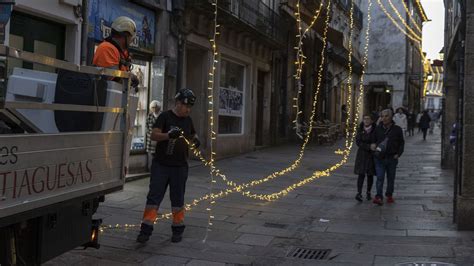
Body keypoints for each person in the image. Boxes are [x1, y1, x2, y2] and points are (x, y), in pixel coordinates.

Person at [137, 89, 200, 244]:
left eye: (190, 107)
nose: (188, 109)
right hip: (161, 165)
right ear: (178, 103)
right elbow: (153, 135)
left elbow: (193, 134)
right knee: (154, 197)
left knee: (177, 199)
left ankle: (178, 229)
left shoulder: (188, 120)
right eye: (186, 106)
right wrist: (168, 135)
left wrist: (196, 140)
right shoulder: (165, 116)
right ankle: (145, 230)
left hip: (180, 166)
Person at [93, 16, 139, 88]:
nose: (131, 42)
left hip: (116, 95)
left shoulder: (121, 52)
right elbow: (111, 78)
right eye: (131, 38)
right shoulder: (106, 48)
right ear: (125, 36)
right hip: (104, 96)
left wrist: (131, 77)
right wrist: (130, 78)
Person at [371, 109, 405, 205]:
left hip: (392, 158)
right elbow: (373, 140)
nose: (384, 118)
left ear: (391, 117)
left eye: (386, 116)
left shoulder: (397, 129)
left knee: (391, 178)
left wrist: (398, 153)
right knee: (380, 177)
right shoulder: (377, 129)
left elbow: (401, 143)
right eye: (382, 116)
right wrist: (373, 145)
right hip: (379, 158)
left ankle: (389, 195)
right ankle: (378, 196)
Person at [354, 115, 377, 202]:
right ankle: (359, 193)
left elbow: (377, 140)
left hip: (371, 155)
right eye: (364, 119)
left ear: (371, 120)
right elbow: (358, 142)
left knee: (370, 175)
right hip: (362, 155)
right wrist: (368, 146)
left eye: (368, 119)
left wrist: (374, 145)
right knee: (361, 174)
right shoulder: (360, 130)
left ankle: (368, 192)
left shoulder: (375, 130)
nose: (366, 120)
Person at [146, 100, 162, 171]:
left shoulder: (162, 115)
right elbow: (147, 126)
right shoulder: (149, 116)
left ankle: (158, 168)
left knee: (159, 154)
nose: (154, 109)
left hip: (159, 138)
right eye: (153, 107)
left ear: (159, 108)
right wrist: (149, 133)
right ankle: (151, 168)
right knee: (151, 155)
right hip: (151, 139)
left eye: (156, 107)